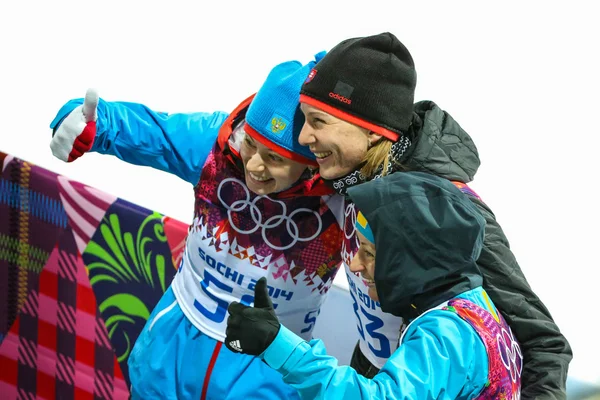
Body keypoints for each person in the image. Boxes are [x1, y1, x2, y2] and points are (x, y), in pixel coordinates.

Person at [48, 53, 346, 399]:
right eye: (250, 143)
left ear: (311, 163)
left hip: (267, 369)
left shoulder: (343, 194)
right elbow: (150, 130)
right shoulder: (218, 145)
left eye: (275, 158)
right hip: (173, 347)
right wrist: (91, 122)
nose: (254, 165)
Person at [297, 32, 571, 399]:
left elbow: (544, 342)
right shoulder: (349, 177)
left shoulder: (439, 209)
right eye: (303, 119)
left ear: (372, 131)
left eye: (318, 121)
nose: (303, 137)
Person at [225, 171, 523, 399]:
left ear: (410, 262)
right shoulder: (474, 304)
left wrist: (280, 347)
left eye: (368, 253)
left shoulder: (446, 335)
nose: (354, 265)